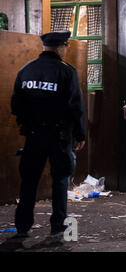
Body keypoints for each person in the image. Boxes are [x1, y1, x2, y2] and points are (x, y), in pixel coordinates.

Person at [10, 30, 86, 241]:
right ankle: (58, 227)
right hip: (59, 136)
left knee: (29, 181)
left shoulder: (26, 70)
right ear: (61, 47)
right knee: (60, 180)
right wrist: (80, 134)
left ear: (44, 47)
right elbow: (76, 107)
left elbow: (16, 104)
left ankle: (22, 226)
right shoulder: (66, 72)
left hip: (33, 135)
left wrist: (26, 124)